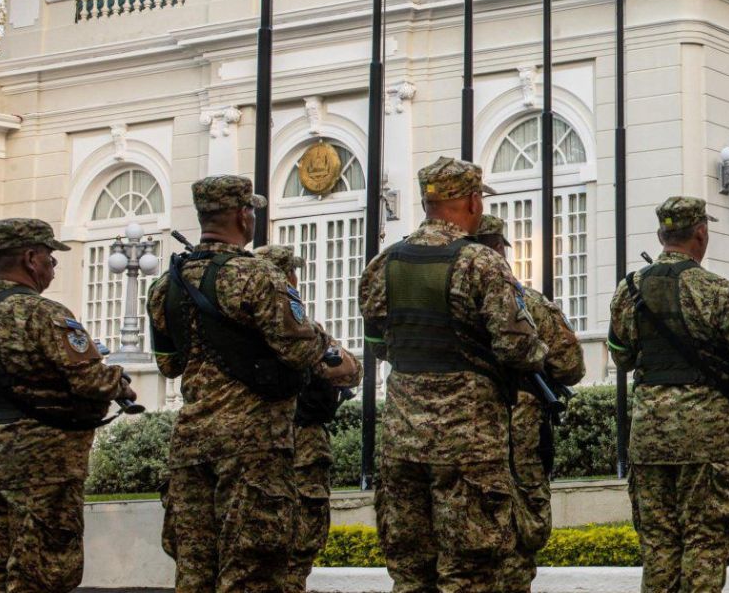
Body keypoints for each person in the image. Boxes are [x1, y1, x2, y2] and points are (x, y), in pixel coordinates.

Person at [148, 175, 356, 593]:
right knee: (253, 572)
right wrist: (339, 361)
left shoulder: (166, 285)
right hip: (252, 446)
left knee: (194, 573)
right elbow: (303, 352)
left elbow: (169, 365)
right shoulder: (256, 277)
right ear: (243, 215)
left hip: (190, 444)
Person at [360, 157, 546, 593]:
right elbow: (520, 348)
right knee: (469, 572)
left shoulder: (383, 264)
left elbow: (379, 344)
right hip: (468, 443)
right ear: (473, 200)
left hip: (402, 440)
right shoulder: (481, 263)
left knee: (411, 573)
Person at [608, 196, 729, 593]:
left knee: (659, 544)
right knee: (705, 541)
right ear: (701, 233)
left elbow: (622, 356)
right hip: (707, 437)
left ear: (662, 235)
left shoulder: (629, 290)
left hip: (648, 437)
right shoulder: (717, 291)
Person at [0, 217, 133, 593]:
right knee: (45, 567)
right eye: (50, 258)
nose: (52, 267)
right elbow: (91, 380)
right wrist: (121, 384)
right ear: (30, 258)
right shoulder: (45, 313)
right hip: (46, 464)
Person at [470, 212, 586, 592]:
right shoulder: (526, 303)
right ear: (502, 251)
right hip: (515, 432)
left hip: (450, 432)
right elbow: (570, 365)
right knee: (519, 532)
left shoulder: (444, 303)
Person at [256, 243, 362, 593]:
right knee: (296, 547)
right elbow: (348, 370)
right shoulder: (297, 326)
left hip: (250, 446)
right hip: (298, 444)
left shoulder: (231, 329)